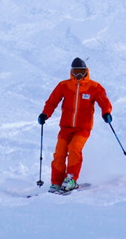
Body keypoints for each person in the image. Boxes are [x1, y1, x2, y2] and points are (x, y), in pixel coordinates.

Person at [38, 57, 112, 192]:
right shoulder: (64, 85)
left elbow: (104, 102)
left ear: (86, 72)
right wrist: (45, 114)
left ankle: (71, 179)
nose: (79, 75)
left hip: (83, 128)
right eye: (76, 71)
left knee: (74, 149)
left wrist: (106, 113)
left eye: (81, 72)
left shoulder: (94, 87)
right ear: (71, 72)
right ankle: (56, 182)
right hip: (65, 127)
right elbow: (52, 101)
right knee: (59, 153)